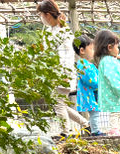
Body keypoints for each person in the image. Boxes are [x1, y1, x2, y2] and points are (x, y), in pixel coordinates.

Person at [37, 0, 91, 137]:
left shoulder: (63, 32)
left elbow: (66, 56)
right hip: (55, 73)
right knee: (60, 104)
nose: (41, 18)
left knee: (59, 104)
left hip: (62, 73)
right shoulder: (52, 30)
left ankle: (65, 133)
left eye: (41, 15)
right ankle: (85, 124)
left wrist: (64, 74)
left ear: (47, 15)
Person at [94, 29, 120, 136]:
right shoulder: (108, 61)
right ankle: (114, 130)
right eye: (117, 47)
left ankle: (116, 128)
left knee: (117, 111)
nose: (118, 49)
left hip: (114, 92)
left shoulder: (109, 60)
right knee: (115, 111)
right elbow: (113, 78)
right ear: (109, 47)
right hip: (114, 93)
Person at [72, 35, 105, 136]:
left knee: (94, 113)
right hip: (89, 94)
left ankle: (91, 130)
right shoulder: (83, 65)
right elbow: (91, 81)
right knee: (94, 112)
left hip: (91, 94)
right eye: (91, 48)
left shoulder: (86, 64)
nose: (93, 51)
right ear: (82, 50)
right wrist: (101, 83)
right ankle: (95, 131)